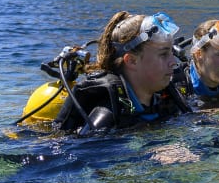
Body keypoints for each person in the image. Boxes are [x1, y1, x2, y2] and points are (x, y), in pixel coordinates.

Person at [54, 10, 192, 134]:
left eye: (171, 52)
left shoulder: (166, 100)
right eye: (163, 54)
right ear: (132, 61)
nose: (174, 62)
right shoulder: (107, 113)